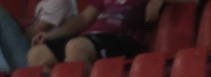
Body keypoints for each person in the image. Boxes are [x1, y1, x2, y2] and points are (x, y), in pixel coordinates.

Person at [26, 0, 165, 68]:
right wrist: (50, 35)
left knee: (76, 47)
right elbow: (84, 18)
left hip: (124, 40)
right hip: (91, 39)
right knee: (37, 53)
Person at [0, 0, 77, 73]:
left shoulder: (59, 2)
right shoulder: (44, 3)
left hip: (32, 61)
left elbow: (31, 35)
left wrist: (0, 30)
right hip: (25, 55)